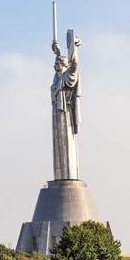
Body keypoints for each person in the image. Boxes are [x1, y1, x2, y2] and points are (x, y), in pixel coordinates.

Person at [50, 31, 81, 181]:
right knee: (58, 145)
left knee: (66, 145)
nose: (55, 64)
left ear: (63, 65)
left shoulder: (68, 75)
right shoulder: (57, 76)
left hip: (65, 115)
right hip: (56, 115)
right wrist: (58, 51)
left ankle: (68, 177)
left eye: (58, 62)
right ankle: (60, 177)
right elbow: (58, 57)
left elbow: (74, 64)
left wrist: (74, 47)